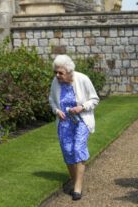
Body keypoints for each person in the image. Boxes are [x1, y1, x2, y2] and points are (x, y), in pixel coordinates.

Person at [48, 54, 99, 201]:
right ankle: (75, 180)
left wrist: (82, 107)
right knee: (68, 151)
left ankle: (77, 187)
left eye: (60, 73)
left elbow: (95, 99)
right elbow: (52, 100)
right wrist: (57, 111)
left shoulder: (82, 79)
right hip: (64, 122)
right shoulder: (55, 82)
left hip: (81, 120)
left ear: (69, 72)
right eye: (55, 72)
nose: (57, 75)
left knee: (78, 148)